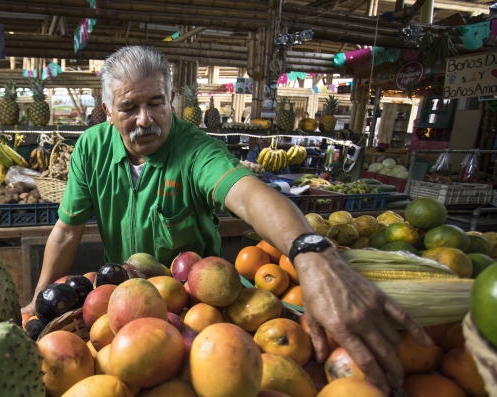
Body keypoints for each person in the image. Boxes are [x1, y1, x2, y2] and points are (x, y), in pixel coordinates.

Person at [22, 46, 429, 395]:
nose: (145, 119)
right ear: (107, 111)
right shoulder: (90, 150)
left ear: (173, 99)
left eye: (156, 103)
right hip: (122, 307)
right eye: (129, 108)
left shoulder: (196, 150)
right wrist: (37, 307)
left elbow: (251, 196)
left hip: (200, 310)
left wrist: (312, 253)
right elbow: (67, 230)